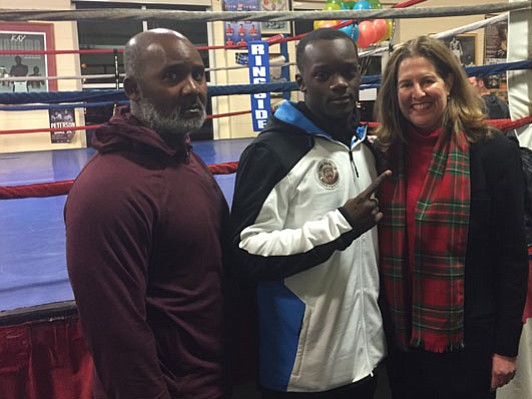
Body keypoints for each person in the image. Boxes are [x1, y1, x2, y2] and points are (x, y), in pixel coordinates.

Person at [65, 29, 232, 399]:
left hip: (213, 382)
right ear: (133, 89)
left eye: (198, 75)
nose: (192, 88)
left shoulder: (186, 161)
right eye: (172, 76)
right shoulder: (107, 192)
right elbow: (116, 335)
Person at [229, 28, 388, 398]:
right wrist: (341, 224)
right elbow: (246, 252)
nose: (339, 84)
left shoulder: (363, 147)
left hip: (366, 357)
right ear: (301, 81)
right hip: (302, 371)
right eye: (323, 75)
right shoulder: (272, 152)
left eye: (348, 72)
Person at [374, 36, 528, 398]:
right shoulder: (383, 155)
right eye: (406, 84)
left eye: (427, 81)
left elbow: (512, 258)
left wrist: (506, 346)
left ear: (448, 83)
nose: (418, 93)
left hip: (469, 339)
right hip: (401, 341)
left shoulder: (492, 152)